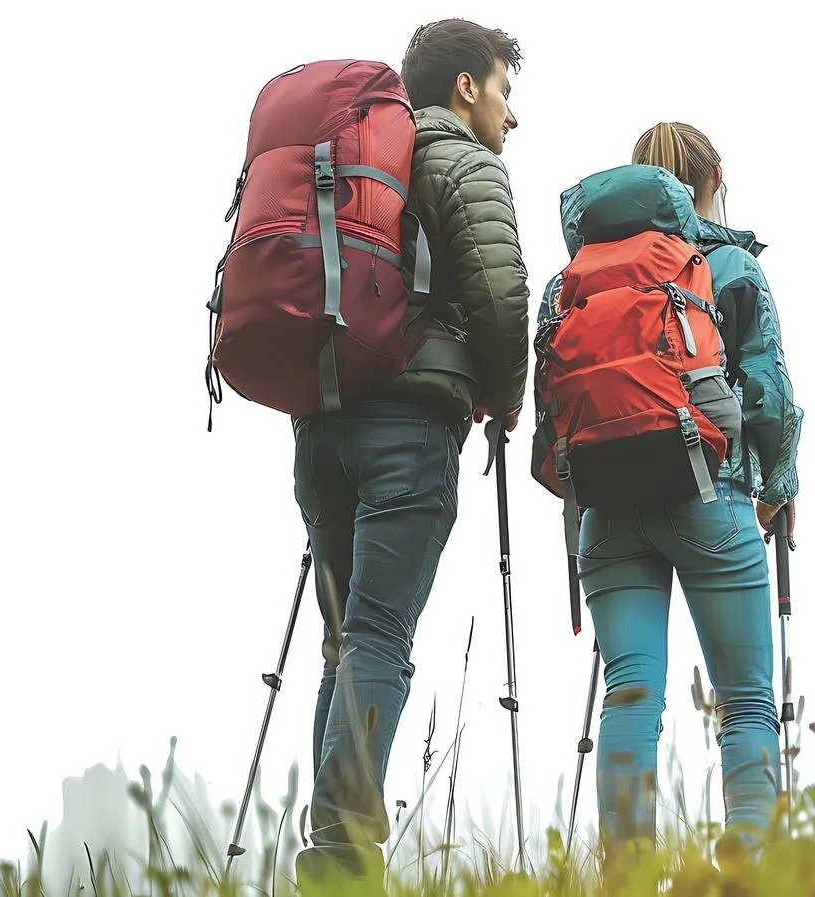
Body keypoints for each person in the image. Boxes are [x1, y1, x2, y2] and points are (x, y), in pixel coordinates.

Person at [293, 19, 530, 896]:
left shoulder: (356, 154)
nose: (512, 115)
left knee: (345, 639)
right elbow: (502, 297)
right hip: (409, 420)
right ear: (466, 87)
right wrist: (506, 397)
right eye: (504, 90)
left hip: (320, 422)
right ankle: (345, 852)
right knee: (380, 633)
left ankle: (326, 843)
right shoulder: (461, 159)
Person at [534, 121, 804, 870]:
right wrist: (778, 489)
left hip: (607, 512)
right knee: (746, 701)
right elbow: (771, 399)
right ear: (713, 175)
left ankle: (627, 877)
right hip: (712, 498)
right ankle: (749, 874)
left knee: (631, 693)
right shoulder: (728, 267)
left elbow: (551, 414)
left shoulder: (572, 280)